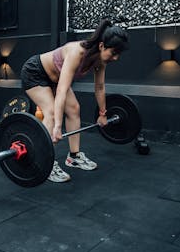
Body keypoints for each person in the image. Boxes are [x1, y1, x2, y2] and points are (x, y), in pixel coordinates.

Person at [21, 18, 129, 183]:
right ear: (101, 46)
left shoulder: (100, 61)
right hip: (35, 73)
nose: (115, 58)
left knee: (74, 109)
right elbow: (62, 90)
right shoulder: (77, 52)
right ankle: (44, 162)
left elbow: (99, 87)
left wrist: (102, 114)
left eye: (118, 54)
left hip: (55, 80)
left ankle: (74, 157)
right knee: (50, 112)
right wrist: (58, 125)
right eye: (113, 53)